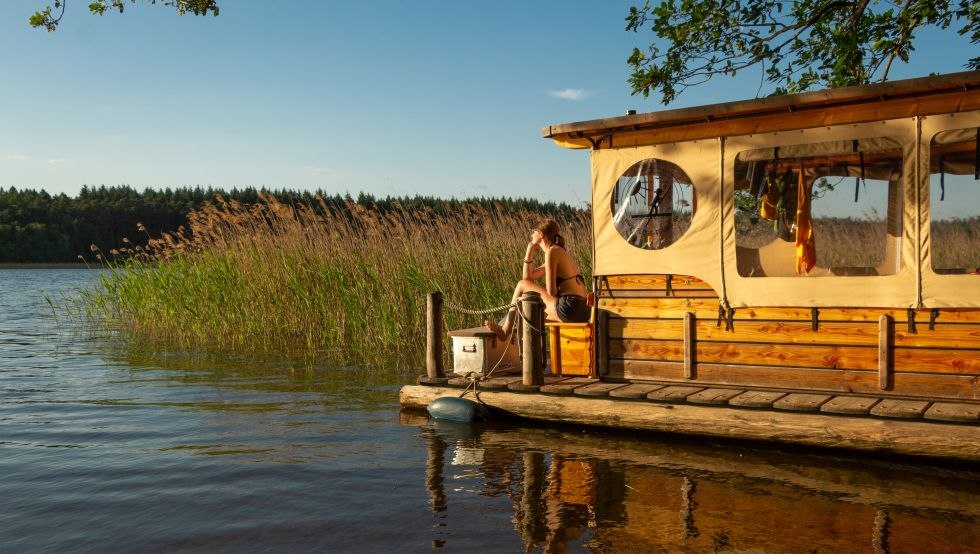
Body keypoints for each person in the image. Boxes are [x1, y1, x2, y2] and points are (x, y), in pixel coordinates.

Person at [485, 219, 590, 340]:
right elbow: (528, 277)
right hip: (582, 309)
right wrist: (529, 252)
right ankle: (522, 348)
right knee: (528, 308)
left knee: (521, 286)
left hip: (570, 307)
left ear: (541, 234)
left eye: (533, 231)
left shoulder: (552, 252)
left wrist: (547, 294)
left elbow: (551, 292)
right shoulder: (557, 251)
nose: (531, 235)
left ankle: (505, 330)